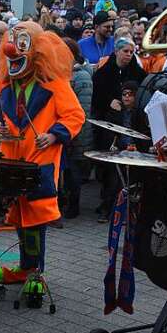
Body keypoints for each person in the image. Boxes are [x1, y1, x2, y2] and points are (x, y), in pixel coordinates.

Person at [0, 24, 84, 286]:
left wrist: (53, 135)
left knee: (35, 218)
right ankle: (25, 267)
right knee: (19, 216)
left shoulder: (54, 84)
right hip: (10, 162)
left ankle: (35, 273)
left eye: (20, 43)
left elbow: (75, 115)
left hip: (38, 163)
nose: (11, 48)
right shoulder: (4, 84)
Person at [90, 37, 147, 219]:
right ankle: (107, 204)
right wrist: (109, 102)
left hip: (131, 124)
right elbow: (95, 97)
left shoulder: (137, 73)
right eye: (125, 52)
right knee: (109, 171)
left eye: (131, 52)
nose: (129, 55)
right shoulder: (103, 73)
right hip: (110, 125)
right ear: (116, 52)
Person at [62, 37, 93, 220]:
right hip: (69, 130)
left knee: (73, 171)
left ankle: (73, 206)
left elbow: (83, 109)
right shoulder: (67, 74)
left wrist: (73, 132)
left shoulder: (81, 76)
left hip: (77, 132)